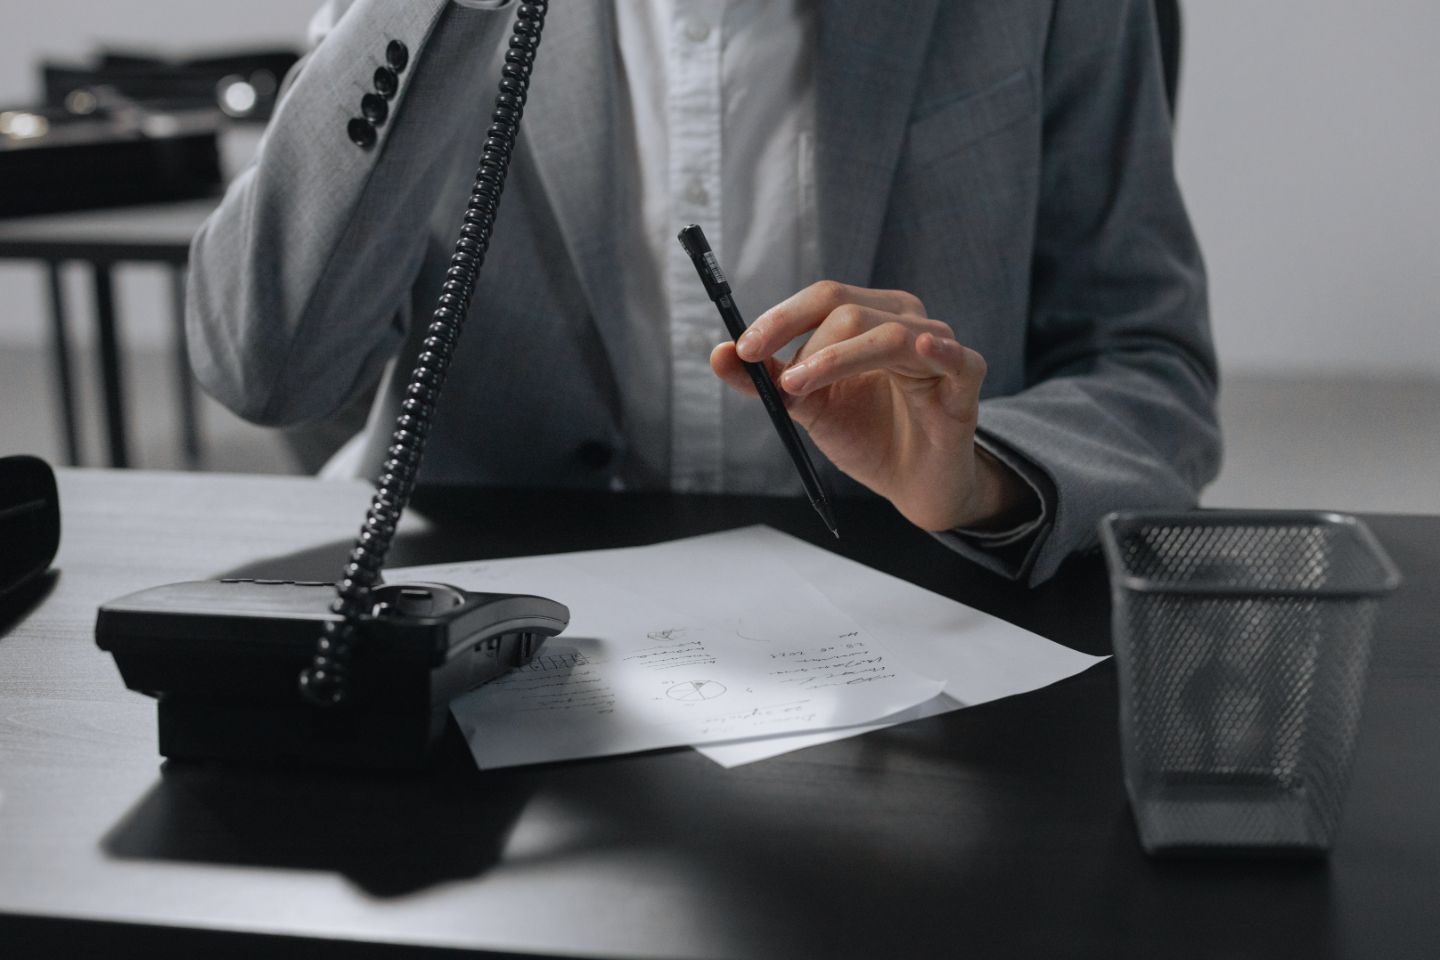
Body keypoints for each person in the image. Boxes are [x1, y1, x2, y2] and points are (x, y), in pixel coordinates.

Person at [187, 0, 1221, 585]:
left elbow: (1151, 369)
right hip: (491, 625)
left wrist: (981, 480)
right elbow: (264, 368)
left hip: (909, 623)